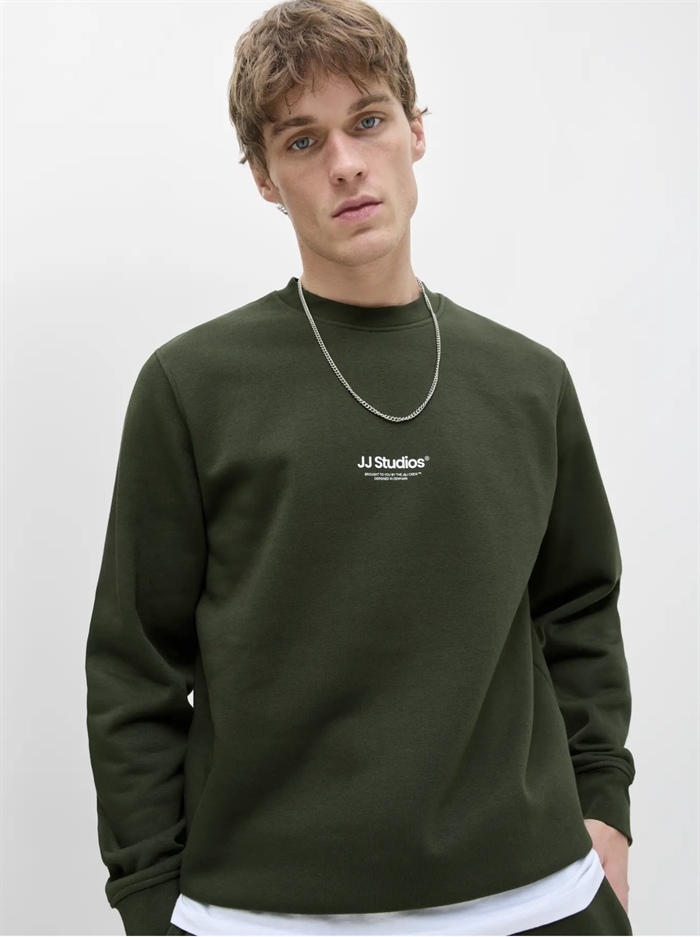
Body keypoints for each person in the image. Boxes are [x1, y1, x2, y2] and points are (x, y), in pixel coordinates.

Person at [84, 1, 636, 934]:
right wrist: (148, 899)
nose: (344, 162)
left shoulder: (528, 381)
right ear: (264, 177)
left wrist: (605, 810)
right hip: (262, 910)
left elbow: (580, 606)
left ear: (416, 131)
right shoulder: (192, 384)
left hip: (539, 895)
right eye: (302, 141)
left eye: (368, 120)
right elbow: (135, 665)